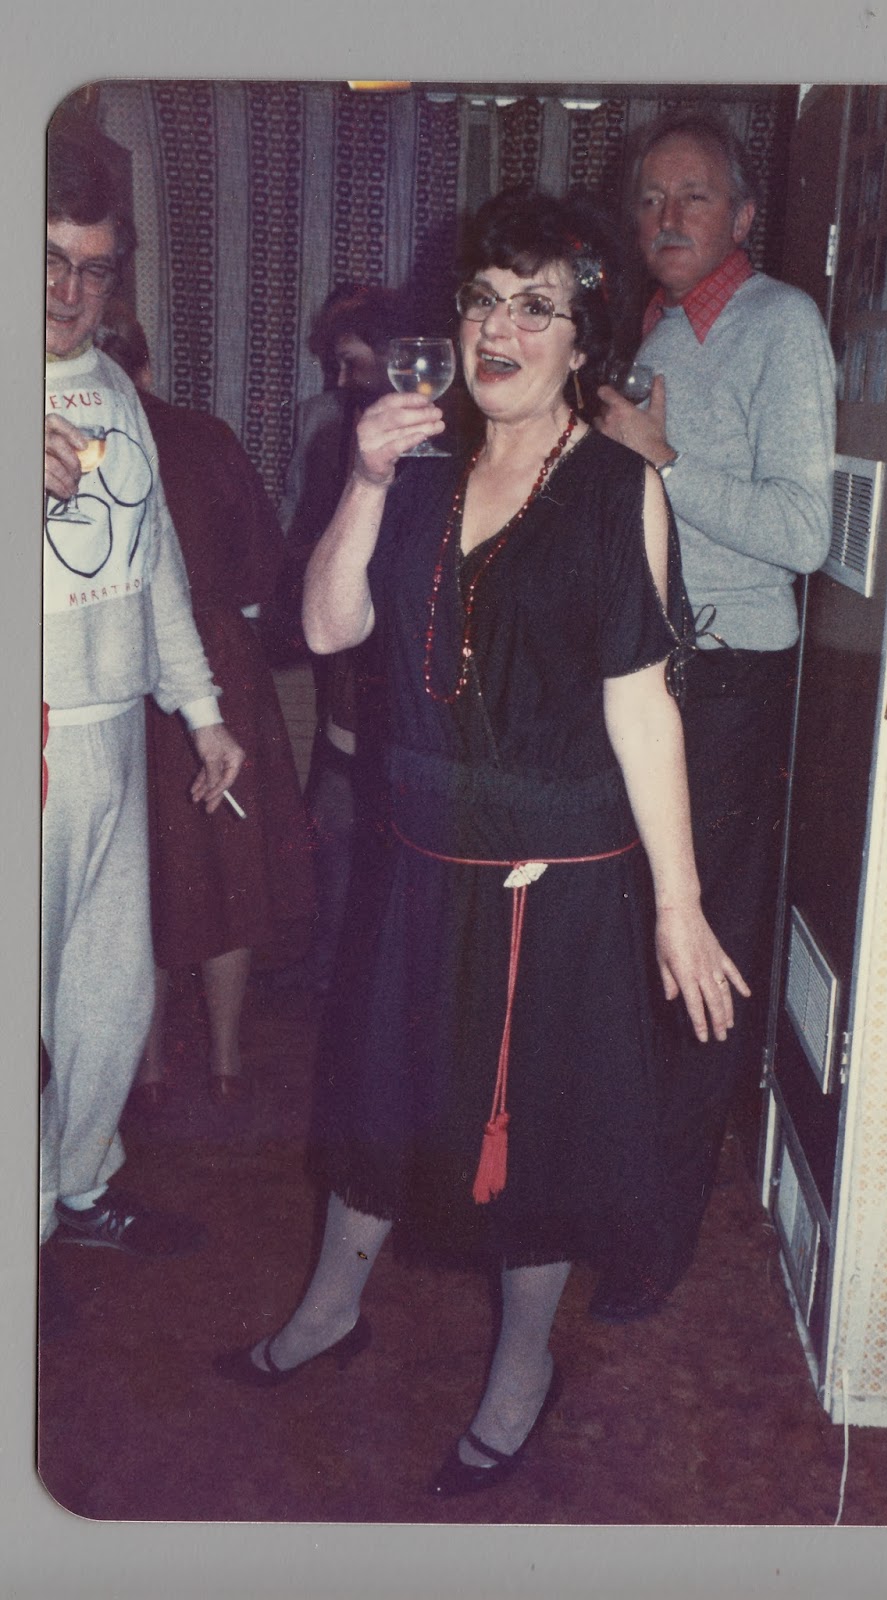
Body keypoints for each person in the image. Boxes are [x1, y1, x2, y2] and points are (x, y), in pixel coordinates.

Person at [215, 187, 748, 1496]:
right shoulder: (414, 466)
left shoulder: (618, 488)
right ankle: (329, 1309)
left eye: (536, 307)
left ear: (582, 341)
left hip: (552, 884)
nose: (499, 329)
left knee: (534, 1137)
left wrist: (678, 903)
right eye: (482, 300)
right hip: (417, 858)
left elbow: (642, 705)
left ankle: (521, 1370)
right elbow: (326, 627)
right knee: (382, 1097)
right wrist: (362, 478)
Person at [594, 110, 837, 1320]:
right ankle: (616, 1191)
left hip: (729, 683)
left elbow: (804, 533)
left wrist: (662, 460)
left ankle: (656, 1236)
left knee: (702, 958)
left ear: (741, 215)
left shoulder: (779, 324)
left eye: (693, 196)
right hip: (651, 676)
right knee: (635, 946)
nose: (668, 216)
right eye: (649, 198)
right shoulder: (654, 329)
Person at [42, 130, 244, 1258]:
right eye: (48, 261)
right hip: (34, 741)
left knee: (109, 996)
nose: (69, 293)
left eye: (94, 269)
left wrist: (202, 712)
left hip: (117, 723)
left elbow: (153, 562)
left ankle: (74, 1188)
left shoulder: (115, 386)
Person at [95, 306, 314, 1108]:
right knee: (232, 868)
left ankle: (147, 1069)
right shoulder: (206, 435)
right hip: (217, 665)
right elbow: (263, 564)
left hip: (120, 666)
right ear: (147, 369)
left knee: (142, 869)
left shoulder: (63, 434)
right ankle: (224, 1061)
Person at [269, 286, 395, 995]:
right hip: (341, 637)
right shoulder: (326, 425)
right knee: (335, 806)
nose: (341, 380)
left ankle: (348, 975)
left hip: (389, 644)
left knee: (353, 812)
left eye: (353, 362)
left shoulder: (432, 433)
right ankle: (327, 966)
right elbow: (303, 522)